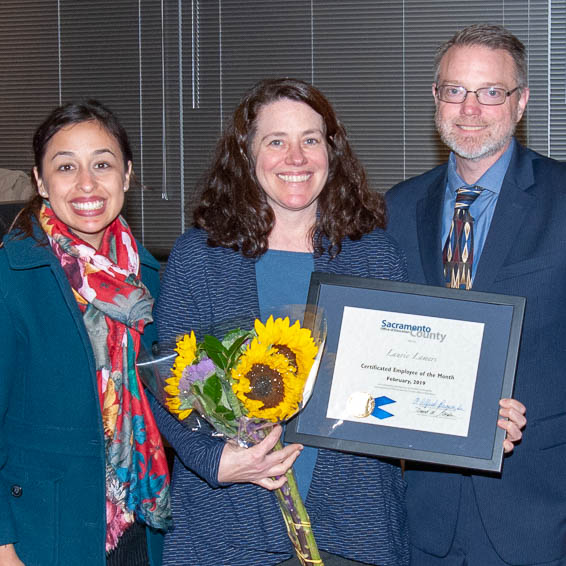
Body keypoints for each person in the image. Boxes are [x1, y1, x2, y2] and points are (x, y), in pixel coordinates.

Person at [152, 78, 410, 566]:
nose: (296, 157)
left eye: (311, 140)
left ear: (331, 153)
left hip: (354, 531)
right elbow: (173, 386)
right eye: (277, 141)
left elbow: (405, 377)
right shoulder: (199, 257)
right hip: (229, 528)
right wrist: (215, 460)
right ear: (247, 155)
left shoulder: (375, 255)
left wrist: (474, 414)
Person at [386, 24, 562, 566]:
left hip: (537, 507)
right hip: (424, 515)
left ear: (521, 101)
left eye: (491, 92)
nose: (470, 108)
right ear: (436, 99)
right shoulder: (395, 207)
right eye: (454, 90)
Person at [0, 100, 171, 566]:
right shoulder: (12, 277)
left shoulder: (150, 280)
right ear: (40, 181)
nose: (87, 184)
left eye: (102, 164)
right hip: (45, 532)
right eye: (65, 167)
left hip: (139, 524)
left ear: (127, 174)